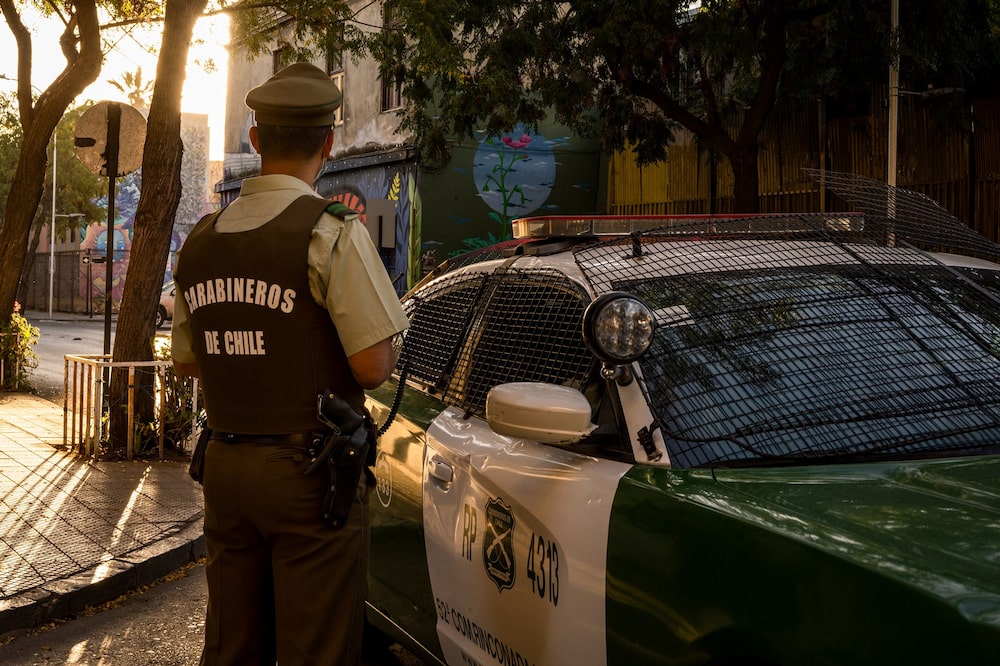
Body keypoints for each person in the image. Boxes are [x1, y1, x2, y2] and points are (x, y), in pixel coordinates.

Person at [171, 62, 409, 666]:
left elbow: (190, 363)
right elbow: (373, 365)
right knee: (316, 649)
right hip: (310, 476)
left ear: (255, 139)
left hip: (225, 467)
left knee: (232, 644)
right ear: (327, 143)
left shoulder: (201, 239)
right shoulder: (328, 231)